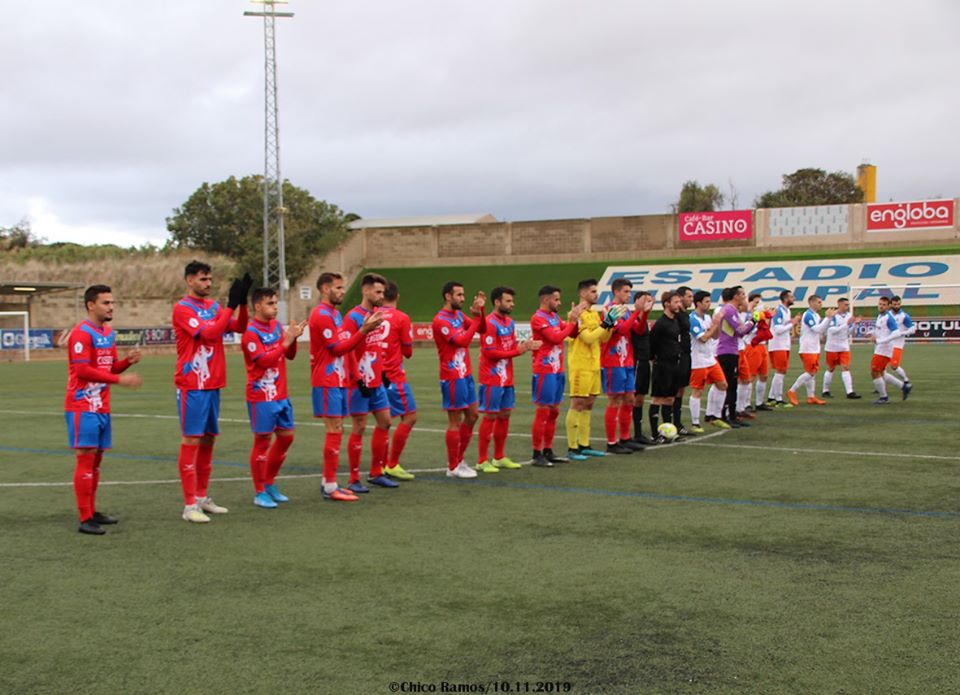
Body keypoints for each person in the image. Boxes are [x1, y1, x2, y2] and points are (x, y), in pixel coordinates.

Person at [172, 261, 251, 523]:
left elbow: (239, 328)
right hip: (192, 384)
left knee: (208, 440)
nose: (208, 283)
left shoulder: (213, 307)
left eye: (209, 279)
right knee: (191, 441)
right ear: (189, 281)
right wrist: (229, 306)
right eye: (203, 279)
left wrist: (242, 303)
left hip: (213, 383)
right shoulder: (183, 308)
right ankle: (188, 505)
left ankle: (202, 497)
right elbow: (209, 334)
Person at [65, 285, 142, 535]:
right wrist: (121, 381)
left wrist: (126, 363)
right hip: (82, 405)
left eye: (112, 302)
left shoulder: (108, 334)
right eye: (105, 303)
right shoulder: (81, 334)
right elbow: (82, 371)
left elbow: (108, 370)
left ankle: (92, 509)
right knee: (86, 458)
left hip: (101, 406)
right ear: (91, 305)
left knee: (96, 461)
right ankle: (84, 517)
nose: (111, 307)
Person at [309, 272, 384, 501]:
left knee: (337, 429)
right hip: (326, 380)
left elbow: (346, 348)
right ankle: (331, 486)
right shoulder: (321, 315)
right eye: (338, 288)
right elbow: (338, 348)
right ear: (325, 289)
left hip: (338, 379)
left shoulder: (335, 314)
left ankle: (328, 482)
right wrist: (363, 331)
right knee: (334, 430)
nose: (343, 292)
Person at [242, 288, 305, 509]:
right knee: (262, 442)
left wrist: (293, 338)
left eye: (276, 303)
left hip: (281, 394)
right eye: (270, 303)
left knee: (287, 437)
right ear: (257, 306)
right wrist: (286, 341)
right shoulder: (251, 333)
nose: (275, 307)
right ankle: (259, 492)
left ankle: (269, 483)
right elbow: (265, 361)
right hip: (261, 396)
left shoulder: (277, 327)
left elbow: (290, 355)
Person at [343, 274, 398, 493]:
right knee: (360, 426)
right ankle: (353, 478)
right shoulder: (353, 317)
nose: (381, 296)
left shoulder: (377, 315)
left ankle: (377, 472)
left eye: (383, 292)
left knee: (385, 422)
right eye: (377, 292)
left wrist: (382, 372)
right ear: (365, 291)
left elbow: (375, 347)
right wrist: (357, 379)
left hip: (376, 380)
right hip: (359, 383)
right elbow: (347, 350)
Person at [477, 287, 540, 471]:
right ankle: (482, 460)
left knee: (505, 415)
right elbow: (490, 353)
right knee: (490, 416)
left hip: (507, 378)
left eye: (512, 301)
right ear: (497, 302)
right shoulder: (489, 323)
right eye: (508, 301)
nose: (512, 304)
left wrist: (525, 346)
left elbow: (510, 349)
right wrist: (519, 350)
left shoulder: (510, 323)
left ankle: (499, 456)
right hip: (491, 377)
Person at [432, 281, 486, 479]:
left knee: (472, 415)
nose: (463, 299)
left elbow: (481, 329)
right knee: (455, 421)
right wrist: (474, 317)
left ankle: (459, 459)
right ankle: (453, 466)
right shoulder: (441, 320)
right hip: (452, 376)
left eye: (463, 295)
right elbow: (463, 340)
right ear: (448, 296)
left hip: (465, 374)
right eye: (459, 295)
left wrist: (480, 311)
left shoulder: (458, 316)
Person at [530, 285, 584, 466]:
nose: (559, 303)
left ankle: (548, 450)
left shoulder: (554, 317)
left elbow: (573, 334)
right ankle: (537, 453)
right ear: (546, 300)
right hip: (544, 370)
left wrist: (575, 320)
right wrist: (570, 322)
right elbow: (555, 338)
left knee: (553, 412)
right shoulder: (538, 318)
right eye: (556, 299)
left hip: (557, 369)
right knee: (543, 411)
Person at [600, 278, 651, 454]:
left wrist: (643, 313)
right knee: (614, 399)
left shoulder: (628, 310)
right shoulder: (609, 310)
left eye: (630, 292)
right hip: (612, 361)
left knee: (629, 399)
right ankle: (611, 442)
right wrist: (637, 312)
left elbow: (638, 329)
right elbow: (621, 329)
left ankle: (625, 437)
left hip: (627, 360)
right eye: (626, 292)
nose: (629, 295)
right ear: (616, 292)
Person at [566, 279, 614, 459]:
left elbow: (603, 339)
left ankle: (584, 444)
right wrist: (604, 325)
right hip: (580, 365)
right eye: (593, 291)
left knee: (589, 403)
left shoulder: (594, 314)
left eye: (596, 291)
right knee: (577, 403)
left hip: (594, 365)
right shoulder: (576, 314)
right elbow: (587, 338)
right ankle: (572, 447)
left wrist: (609, 323)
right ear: (583, 293)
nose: (596, 294)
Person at [380, 281, 417, 481]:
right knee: (410, 417)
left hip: (374, 375)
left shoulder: (373, 315)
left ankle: (379, 465)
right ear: (398, 296)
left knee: (381, 422)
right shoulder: (401, 317)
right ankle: (391, 463)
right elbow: (408, 352)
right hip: (394, 376)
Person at [687, 291, 727, 433]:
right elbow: (702, 338)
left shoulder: (708, 317)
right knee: (697, 391)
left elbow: (715, 336)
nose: (709, 304)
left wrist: (717, 324)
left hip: (710, 358)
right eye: (706, 301)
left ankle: (715, 415)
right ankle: (695, 422)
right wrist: (715, 324)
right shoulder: (692, 319)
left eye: (709, 301)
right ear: (698, 303)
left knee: (722, 385)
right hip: (698, 360)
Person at [716, 286, 756, 427]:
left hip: (731, 351)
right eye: (742, 295)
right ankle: (726, 415)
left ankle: (731, 415)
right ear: (736, 296)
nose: (744, 297)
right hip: (726, 351)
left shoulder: (732, 310)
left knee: (732, 384)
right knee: (730, 385)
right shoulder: (729, 310)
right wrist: (753, 321)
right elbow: (740, 331)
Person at [648, 291, 684, 442]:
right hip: (662, 365)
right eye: (676, 302)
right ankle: (655, 434)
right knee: (658, 399)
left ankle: (667, 431)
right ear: (667, 303)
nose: (679, 305)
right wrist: (654, 360)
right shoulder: (660, 324)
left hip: (674, 365)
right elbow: (651, 344)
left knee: (670, 399)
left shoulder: (675, 321)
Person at [787, 295, 833, 406]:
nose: (820, 304)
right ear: (811, 303)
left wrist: (828, 319)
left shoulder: (816, 315)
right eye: (818, 302)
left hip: (814, 347)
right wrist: (828, 318)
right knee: (811, 372)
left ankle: (811, 397)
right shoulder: (808, 315)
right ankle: (792, 390)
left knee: (812, 373)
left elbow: (821, 330)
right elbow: (818, 329)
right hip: (808, 348)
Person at [870, 296, 912, 405]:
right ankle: (903, 387)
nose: (881, 306)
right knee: (881, 372)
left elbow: (896, 333)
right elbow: (881, 331)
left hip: (884, 349)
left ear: (888, 306)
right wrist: (873, 334)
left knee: (875, 372)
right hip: (880, 348)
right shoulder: (880, 315)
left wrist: (880, 341)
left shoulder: (889, 317)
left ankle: (884, 397)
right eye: (880, 304)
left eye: (884, 305)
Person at [766, 290, 802, 408]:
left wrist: (791, 321)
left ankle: (772, 397)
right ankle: (778, 399)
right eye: (791, 297)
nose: (794, 298)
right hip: (778, 344)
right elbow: (778, 329)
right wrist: (793, 323)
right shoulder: (779, 310)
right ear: (785, 298)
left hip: (783, 344)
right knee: (780, 371)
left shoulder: (786, 310)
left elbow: (783, 325)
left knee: (781, 371)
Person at [822, 297, 861, 399]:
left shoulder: (849, 316)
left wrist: (855, 325)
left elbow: (850, 332)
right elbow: (831, 331)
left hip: (844, 346)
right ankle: (825, 390)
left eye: (848, 305)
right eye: (845, 305)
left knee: (846, 367)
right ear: (839, 305)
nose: (847, 307)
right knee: (831, 368)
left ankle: (850, 392)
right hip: (832, 346)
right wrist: (846, 324)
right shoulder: (833, 316)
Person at [630, 290, 655, 445]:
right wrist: (644, 313)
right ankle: (634, 433)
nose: (649, 304)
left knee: (640, 398)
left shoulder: (645, 320)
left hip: (645, 361)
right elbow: (638, 331)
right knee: (633, 397)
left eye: (650, 301)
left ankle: (639, 433)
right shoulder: (633, 318)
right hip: (637, 361)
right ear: (637, 301)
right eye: (646, 300)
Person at [744, 293, 773, 412]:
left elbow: (766, 329)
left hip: (762, 346)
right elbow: (747, 330)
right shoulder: (747, 315)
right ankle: (746, 403)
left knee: (764, 375)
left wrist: (767, 318)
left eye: (759, 302)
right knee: (750, 376)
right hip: (752, 345)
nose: (758, 305)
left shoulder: (761, 315)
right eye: (755, 302)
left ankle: (760, 402)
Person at [735, 293, 761, 420]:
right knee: (731, 381)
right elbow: (742, 331)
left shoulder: (746, 314)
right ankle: (732, 409)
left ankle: (742, 407)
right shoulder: (731, 312)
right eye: (754, 302)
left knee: (746, 378)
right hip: (740, 348)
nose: (756, 305)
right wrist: (753, 322)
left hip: (742, 348)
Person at [673, 286, 694, 436]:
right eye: (689, 296)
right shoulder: (677, 314)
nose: (691, 299)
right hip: (678, 355)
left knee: (681, 389)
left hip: (687, 353)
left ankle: (678, 422)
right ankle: (673, 423)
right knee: (674, 390)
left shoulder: (685, 314)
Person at [888, 296, 917, 387]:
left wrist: (901, 333)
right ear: (891, 304)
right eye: (895, 304)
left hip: (898, 344)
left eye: (898, 304)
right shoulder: (887, 314)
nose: (897, 306)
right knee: (881, 366)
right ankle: (879, 385)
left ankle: (906, 380)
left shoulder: (904, 316)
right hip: (887, 344)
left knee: (894, 366)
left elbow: (912, 329)